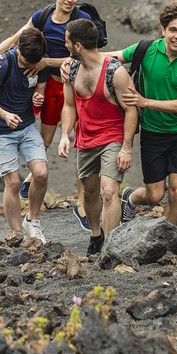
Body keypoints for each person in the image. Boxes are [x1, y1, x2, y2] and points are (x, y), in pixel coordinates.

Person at [0, 0, 93, 230]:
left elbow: (87, 56)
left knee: (81, 141)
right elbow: (17, 38)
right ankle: (29, 183)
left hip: (76, 84)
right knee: (44, 139)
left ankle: (82, 205)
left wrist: (48, 61)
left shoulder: (82, 19)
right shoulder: (42, 17)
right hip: (47, 85)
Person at [105, 2, 177, 225]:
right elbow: (108, 58)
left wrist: (144, 102)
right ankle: (130, 198)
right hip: (153, 134)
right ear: (163, 30)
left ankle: (168, 237)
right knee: (155, 195)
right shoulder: (145, 49)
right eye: (173, 30)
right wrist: (75, 59)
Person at [57, 19, 138, 255]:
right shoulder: (71, 70)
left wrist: (126, 148)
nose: (65, 44)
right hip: (85, 140)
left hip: (112, 136)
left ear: (78, 45)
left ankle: (112, 249)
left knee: (109, 191)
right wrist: (64, 136)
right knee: (90, 193)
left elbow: (132, 109)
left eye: (67, 40)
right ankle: (96, 234)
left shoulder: (116, 72)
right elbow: (69, 106)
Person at [0, 27, 51, 243]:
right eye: (26, 62)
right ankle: (16, 232)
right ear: (18, 50)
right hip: (2, 131)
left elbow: (40, 89)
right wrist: (5, 114)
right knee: (12, 182)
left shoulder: (40, 63)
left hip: (27, 125)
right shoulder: (3, 63)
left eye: (33, 64)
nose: (29, 67)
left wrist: (38, 97)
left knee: (41, 173)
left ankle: (32, 220)